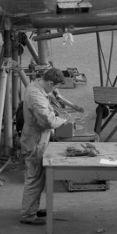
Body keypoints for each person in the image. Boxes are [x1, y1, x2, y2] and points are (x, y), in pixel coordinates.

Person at [18, 67, 71, 225]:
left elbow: (46, 106)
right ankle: (27, 215)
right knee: (34, 177)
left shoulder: (36, 86)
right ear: (49, 82)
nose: (55, 90)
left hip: (38, 136)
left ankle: (32, 208)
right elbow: (48, 121)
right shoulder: (36, 96)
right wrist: (63, 121)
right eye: (54, 86)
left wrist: (55, 98)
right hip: (35, 139)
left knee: (39, 177)